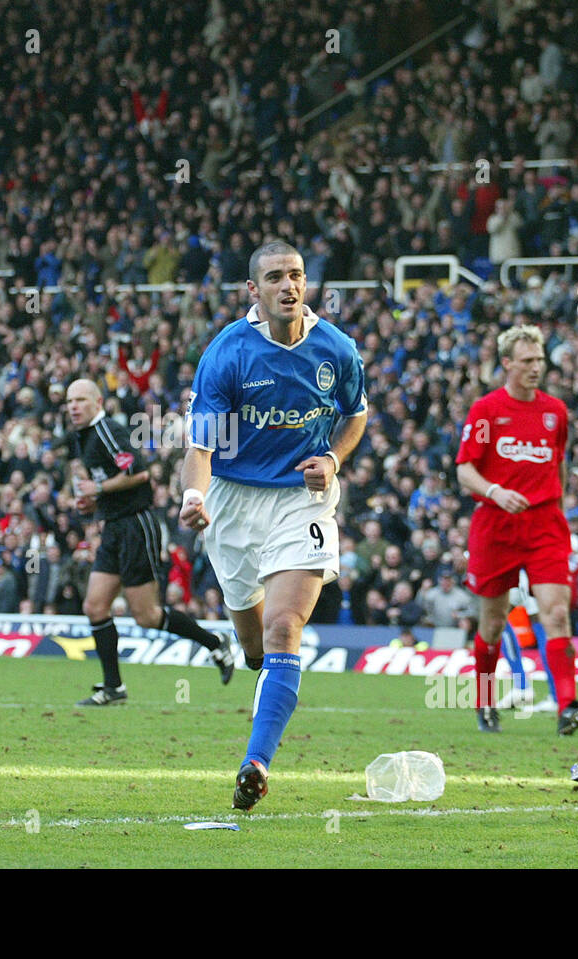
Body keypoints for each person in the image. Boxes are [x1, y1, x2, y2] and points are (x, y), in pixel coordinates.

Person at [179, 240, 366, 809]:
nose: (289, 285)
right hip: (233, 504)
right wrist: (193, 495)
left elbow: (355, 416)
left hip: (301, 500)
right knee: (257, 645)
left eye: (297, 275)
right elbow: (201, 446)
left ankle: (255, 763)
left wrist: (332, 458)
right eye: (275, 277)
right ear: (253, 291)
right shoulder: (227, 354)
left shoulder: (336, 349)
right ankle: (264, 678)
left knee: (286, 627)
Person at [455, 324, 578, 736]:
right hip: (495, 525)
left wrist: (556, 502)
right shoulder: (486, 411)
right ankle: (484, 701)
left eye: (541, 360)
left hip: (545, 524)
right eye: (528, 360)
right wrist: (495, 492)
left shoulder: (556, 412)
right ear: (508, 364)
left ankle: (568, 706)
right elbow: (465, 470)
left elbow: (559, 463)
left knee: (557, 612)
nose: (537, 367)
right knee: (493, 623)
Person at [63, 377, 233, 706]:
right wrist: (93, 501)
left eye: (81, 400)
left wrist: (97, 491)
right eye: (70, 401)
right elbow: (110, 481)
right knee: (95, 606)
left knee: (147, 615)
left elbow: (139, 474)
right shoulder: (81, 438)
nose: (73, 407)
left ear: (97, 403)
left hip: (135, 526)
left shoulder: (108, 431)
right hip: (113, 526)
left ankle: (215, 643)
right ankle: (113, 688)